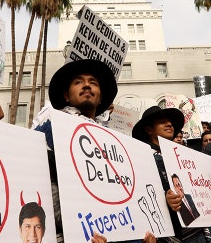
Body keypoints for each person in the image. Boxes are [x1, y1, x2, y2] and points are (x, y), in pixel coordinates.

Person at [33, 59, 152, 243]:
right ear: (66, 95)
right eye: (78, 82)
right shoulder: (51, 126)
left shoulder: (113, 142)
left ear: (101, 97)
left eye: (93, 82)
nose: (87, 85)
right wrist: (77, 229)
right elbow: (41, 181)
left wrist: (139, 234)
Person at [132, 105, 209, 243]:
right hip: (170, 232)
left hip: (195, 229)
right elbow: (141, 197)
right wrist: (164, 201)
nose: (169, 124)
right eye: (162, 122)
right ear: (149, 129)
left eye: (170, 122)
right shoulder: (142, 158)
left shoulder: (180, 157)